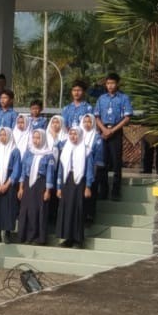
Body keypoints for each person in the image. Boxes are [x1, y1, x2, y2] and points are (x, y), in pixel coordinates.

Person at [94, 72, 133, 200]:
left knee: (116, 163)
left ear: (117, 84)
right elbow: (97, 116)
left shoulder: (123, 98)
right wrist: (104, 130)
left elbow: (127, 117)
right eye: (108, 83)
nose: (110, 86)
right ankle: (103, 191)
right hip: (103, 132)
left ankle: (116, 191)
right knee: (102, 162)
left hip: (116, 131)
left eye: (112, 83)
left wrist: (113, 130)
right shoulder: (101, 99)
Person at [16, 127, 55, 244]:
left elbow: (49, 174)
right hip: (28, 184)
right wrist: (21, 187)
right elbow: (23, 170)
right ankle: (25, 236)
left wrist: (48, 191)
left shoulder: (48, 155)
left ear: (43, 139)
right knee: (26, 210)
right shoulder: (29, 152)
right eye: (34, 137)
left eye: (38, 138)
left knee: (38, 210)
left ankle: (37, 237)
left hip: (40, 184)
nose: (35, 140)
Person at [55, 126, 93, 248]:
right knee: (66, 210)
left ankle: (78, 240)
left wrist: (88, 186)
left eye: (75, 134)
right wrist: (59, 187)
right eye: (71, 134)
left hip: (79, 182)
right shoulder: (66, 149)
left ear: (80, 135)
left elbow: (89, 170)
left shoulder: (86, 150)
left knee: (77, 209)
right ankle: (67, 238)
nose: (73, 136)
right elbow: (61, 169)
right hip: (67, 181)